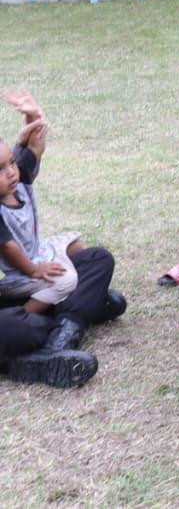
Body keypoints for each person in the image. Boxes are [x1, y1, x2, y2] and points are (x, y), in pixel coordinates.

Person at [0, 93, 125, 385]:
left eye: (10, 165)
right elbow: (9, 247)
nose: (10, 171)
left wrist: (32, 117)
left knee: (97, 259)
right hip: (13, 296)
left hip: (30, 282)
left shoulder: (16, 181)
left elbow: (31, 147)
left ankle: (61, 336)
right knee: (14, 327)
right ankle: (77, 313)